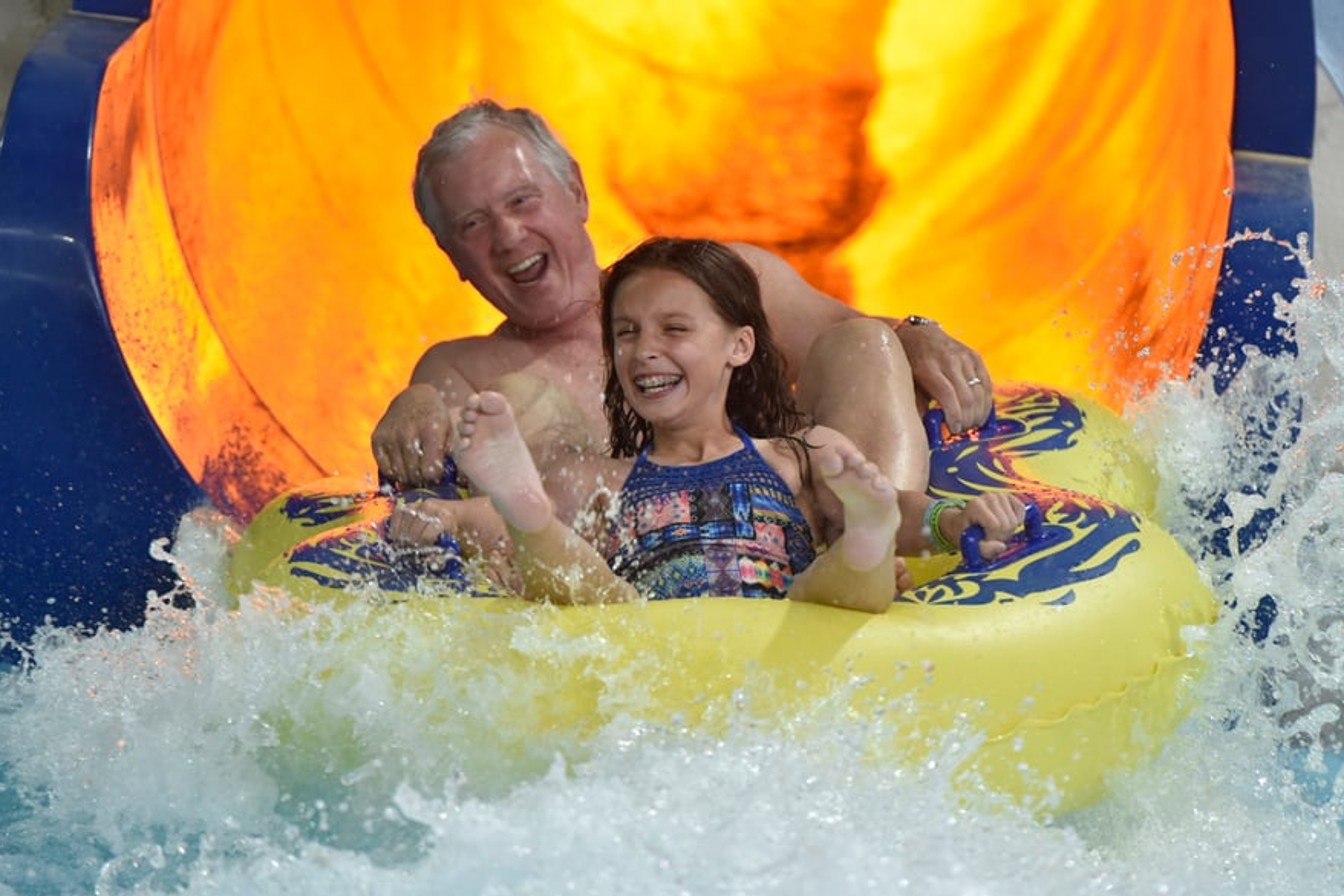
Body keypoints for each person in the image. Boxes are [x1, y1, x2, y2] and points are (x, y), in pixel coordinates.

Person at [372, 100, 994, 520]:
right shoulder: (463, 370)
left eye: (522, 201)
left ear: (577, 194)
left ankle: (881, 546)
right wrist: (414, 406)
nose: (507, 236)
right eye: (473, 224)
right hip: (640, 587)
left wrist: (916, 333)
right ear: (453, 257)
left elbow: (848, 336)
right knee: (520, 403)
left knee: (866, 344)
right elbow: (433, 445)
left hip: (804, 541)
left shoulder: (715, 279)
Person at [394, 237, 1023, 611]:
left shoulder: (799, 457)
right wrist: (443, 517)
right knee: (601, 596)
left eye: (674, 330)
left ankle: (865, 535)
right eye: (626, 334)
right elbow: (482, 523)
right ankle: (526, 510)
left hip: (788, 627)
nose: (645, 352)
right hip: (655, 640)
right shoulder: (603, 481)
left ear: (739, 347)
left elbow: (908, 508)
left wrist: (954, 520)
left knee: (829, 584)